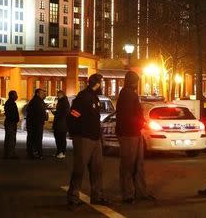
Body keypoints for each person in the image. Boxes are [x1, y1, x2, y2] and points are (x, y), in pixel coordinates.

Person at [67, 73, 109, 210]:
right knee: (79, 168)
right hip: (84, 138)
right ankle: (73, 197)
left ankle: (97, 196)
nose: (102, 85)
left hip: (95, 138)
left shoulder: (94, 97)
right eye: (101, 82)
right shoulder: (83, 96)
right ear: (96, 83)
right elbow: (73, 115)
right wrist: (76, 132)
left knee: (97, 168)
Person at [116, 71, 155, 204]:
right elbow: (127, 116)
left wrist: (140, 121)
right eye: (136, 81)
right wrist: (140, 121)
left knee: (138, 164)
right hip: (128, 133)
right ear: (131, 81)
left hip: (135, 132)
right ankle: (128, 194)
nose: (137, 83)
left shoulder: (130, 93)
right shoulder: (126, 94)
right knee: (128, 165)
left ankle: (140, 192)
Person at [26, 88, 48, 159]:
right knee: (36, 139)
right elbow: (39, 112)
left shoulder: (38, 101)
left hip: (36, 123)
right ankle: (36, 153)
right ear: (37, 93)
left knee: (35, 138)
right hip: (35, 124)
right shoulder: (36, 101)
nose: (43, 94)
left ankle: (34, 153)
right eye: (42, 93)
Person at [52, 90, 70, 159]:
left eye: (58, 94)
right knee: (58, 138)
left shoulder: (64, 102)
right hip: (60, 123)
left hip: (61, 123)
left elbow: (64, 113)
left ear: (62, 94)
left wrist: (56, 113)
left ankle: (62, 152)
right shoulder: (61, 101)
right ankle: (59, 152)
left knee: (61, 138)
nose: (57, 96)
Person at [4, 90, 19, 159]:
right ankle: (10, 154)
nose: (17, 96)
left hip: (11, 122)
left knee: (9, 138)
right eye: (15, 95)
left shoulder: (10, 102)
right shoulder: (10, 103)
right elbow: (11, 114)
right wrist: (15, 119)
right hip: (11, 122)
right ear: (12, 95)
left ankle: (9, 153)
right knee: (11, 138)